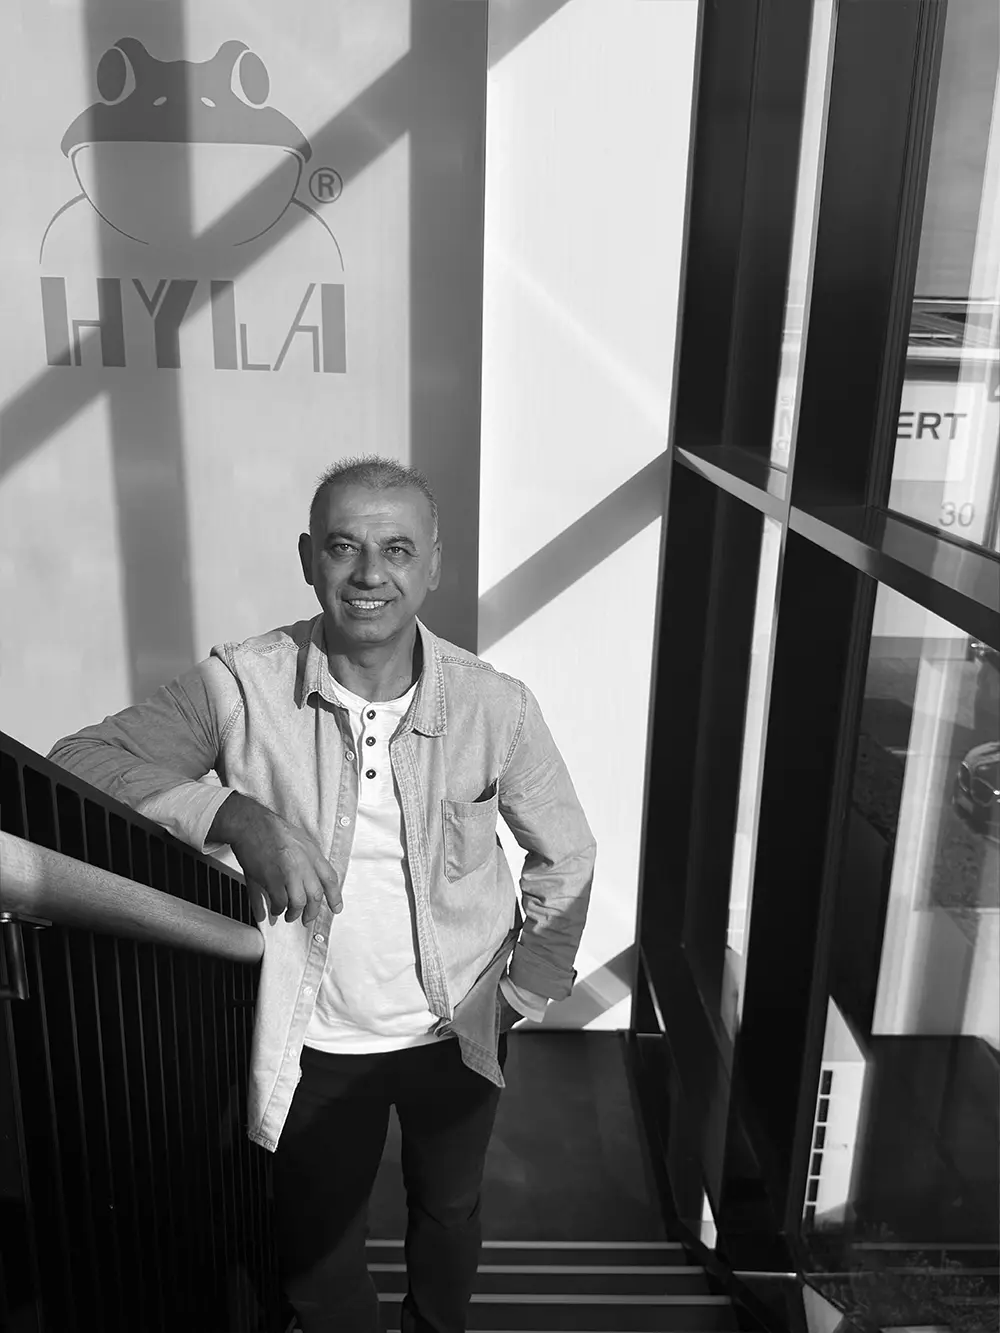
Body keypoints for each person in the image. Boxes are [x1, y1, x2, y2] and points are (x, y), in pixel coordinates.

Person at [48, 455, 596, 1333]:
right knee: (315, 1258)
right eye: (344, 547)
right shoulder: (242, 686)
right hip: (317, 1037)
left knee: (449, 1211)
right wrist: (233, 814)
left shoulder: (497, 707)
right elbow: (82, 760)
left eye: (397, 549)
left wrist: (523, 989)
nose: (371, 573)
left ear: (433, 565)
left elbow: (565, 854)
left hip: (457, 1027)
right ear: (309, 559)